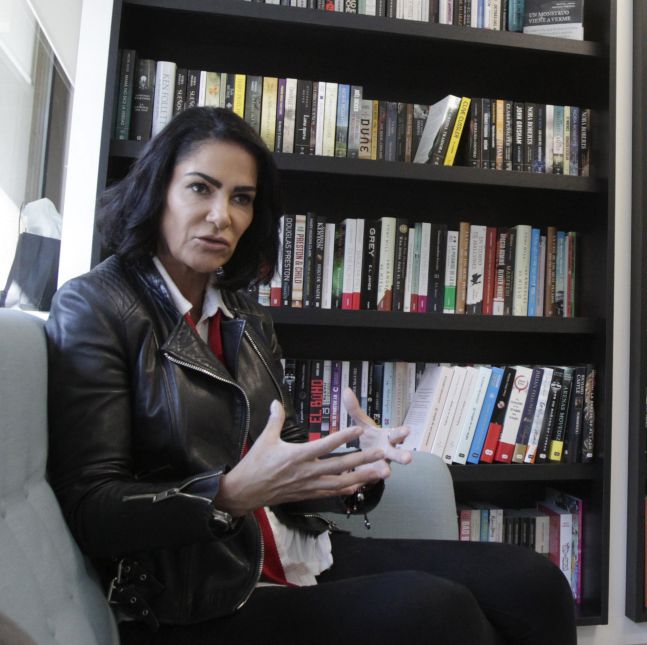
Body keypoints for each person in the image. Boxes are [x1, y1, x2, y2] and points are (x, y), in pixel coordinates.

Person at [45, 107, 576, 644]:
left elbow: (287, 462)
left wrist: (355, 468)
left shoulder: (245, 314)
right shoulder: (95, 307)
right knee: (441, 612)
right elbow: (93, 506)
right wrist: (225, 495)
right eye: (200, 189)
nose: (220, 215)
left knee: (537, 584)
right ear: (158, 190)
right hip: (187, 596)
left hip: (292, 551)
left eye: (241, 198)